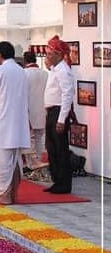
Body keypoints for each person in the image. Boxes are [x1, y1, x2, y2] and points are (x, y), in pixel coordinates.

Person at [0, 41, 31, 205]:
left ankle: (3, 194)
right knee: (14, 160)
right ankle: (12, 193)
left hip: (2, 122)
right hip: (17, 122)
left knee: (2, 161)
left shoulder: (0, 70)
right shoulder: (21, 71)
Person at [43, 35, 76, 194]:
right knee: (51, 148)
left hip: (58, 112)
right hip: (51, 111)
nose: (48, 56)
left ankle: (63, 183)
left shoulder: (63, 70)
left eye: (50, 54)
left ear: (58, 54)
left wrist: (62, 119)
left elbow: (67, 95)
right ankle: (57, 180)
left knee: (60, 149)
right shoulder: (55, 69)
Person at [22, 51, 48, 171]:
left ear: (25, 60)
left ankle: (31, 163)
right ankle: (38, 159)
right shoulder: (45, 73)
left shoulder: (23, 73)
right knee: (39, 136)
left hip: (28, 108)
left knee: (29, 138)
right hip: (43, 108)